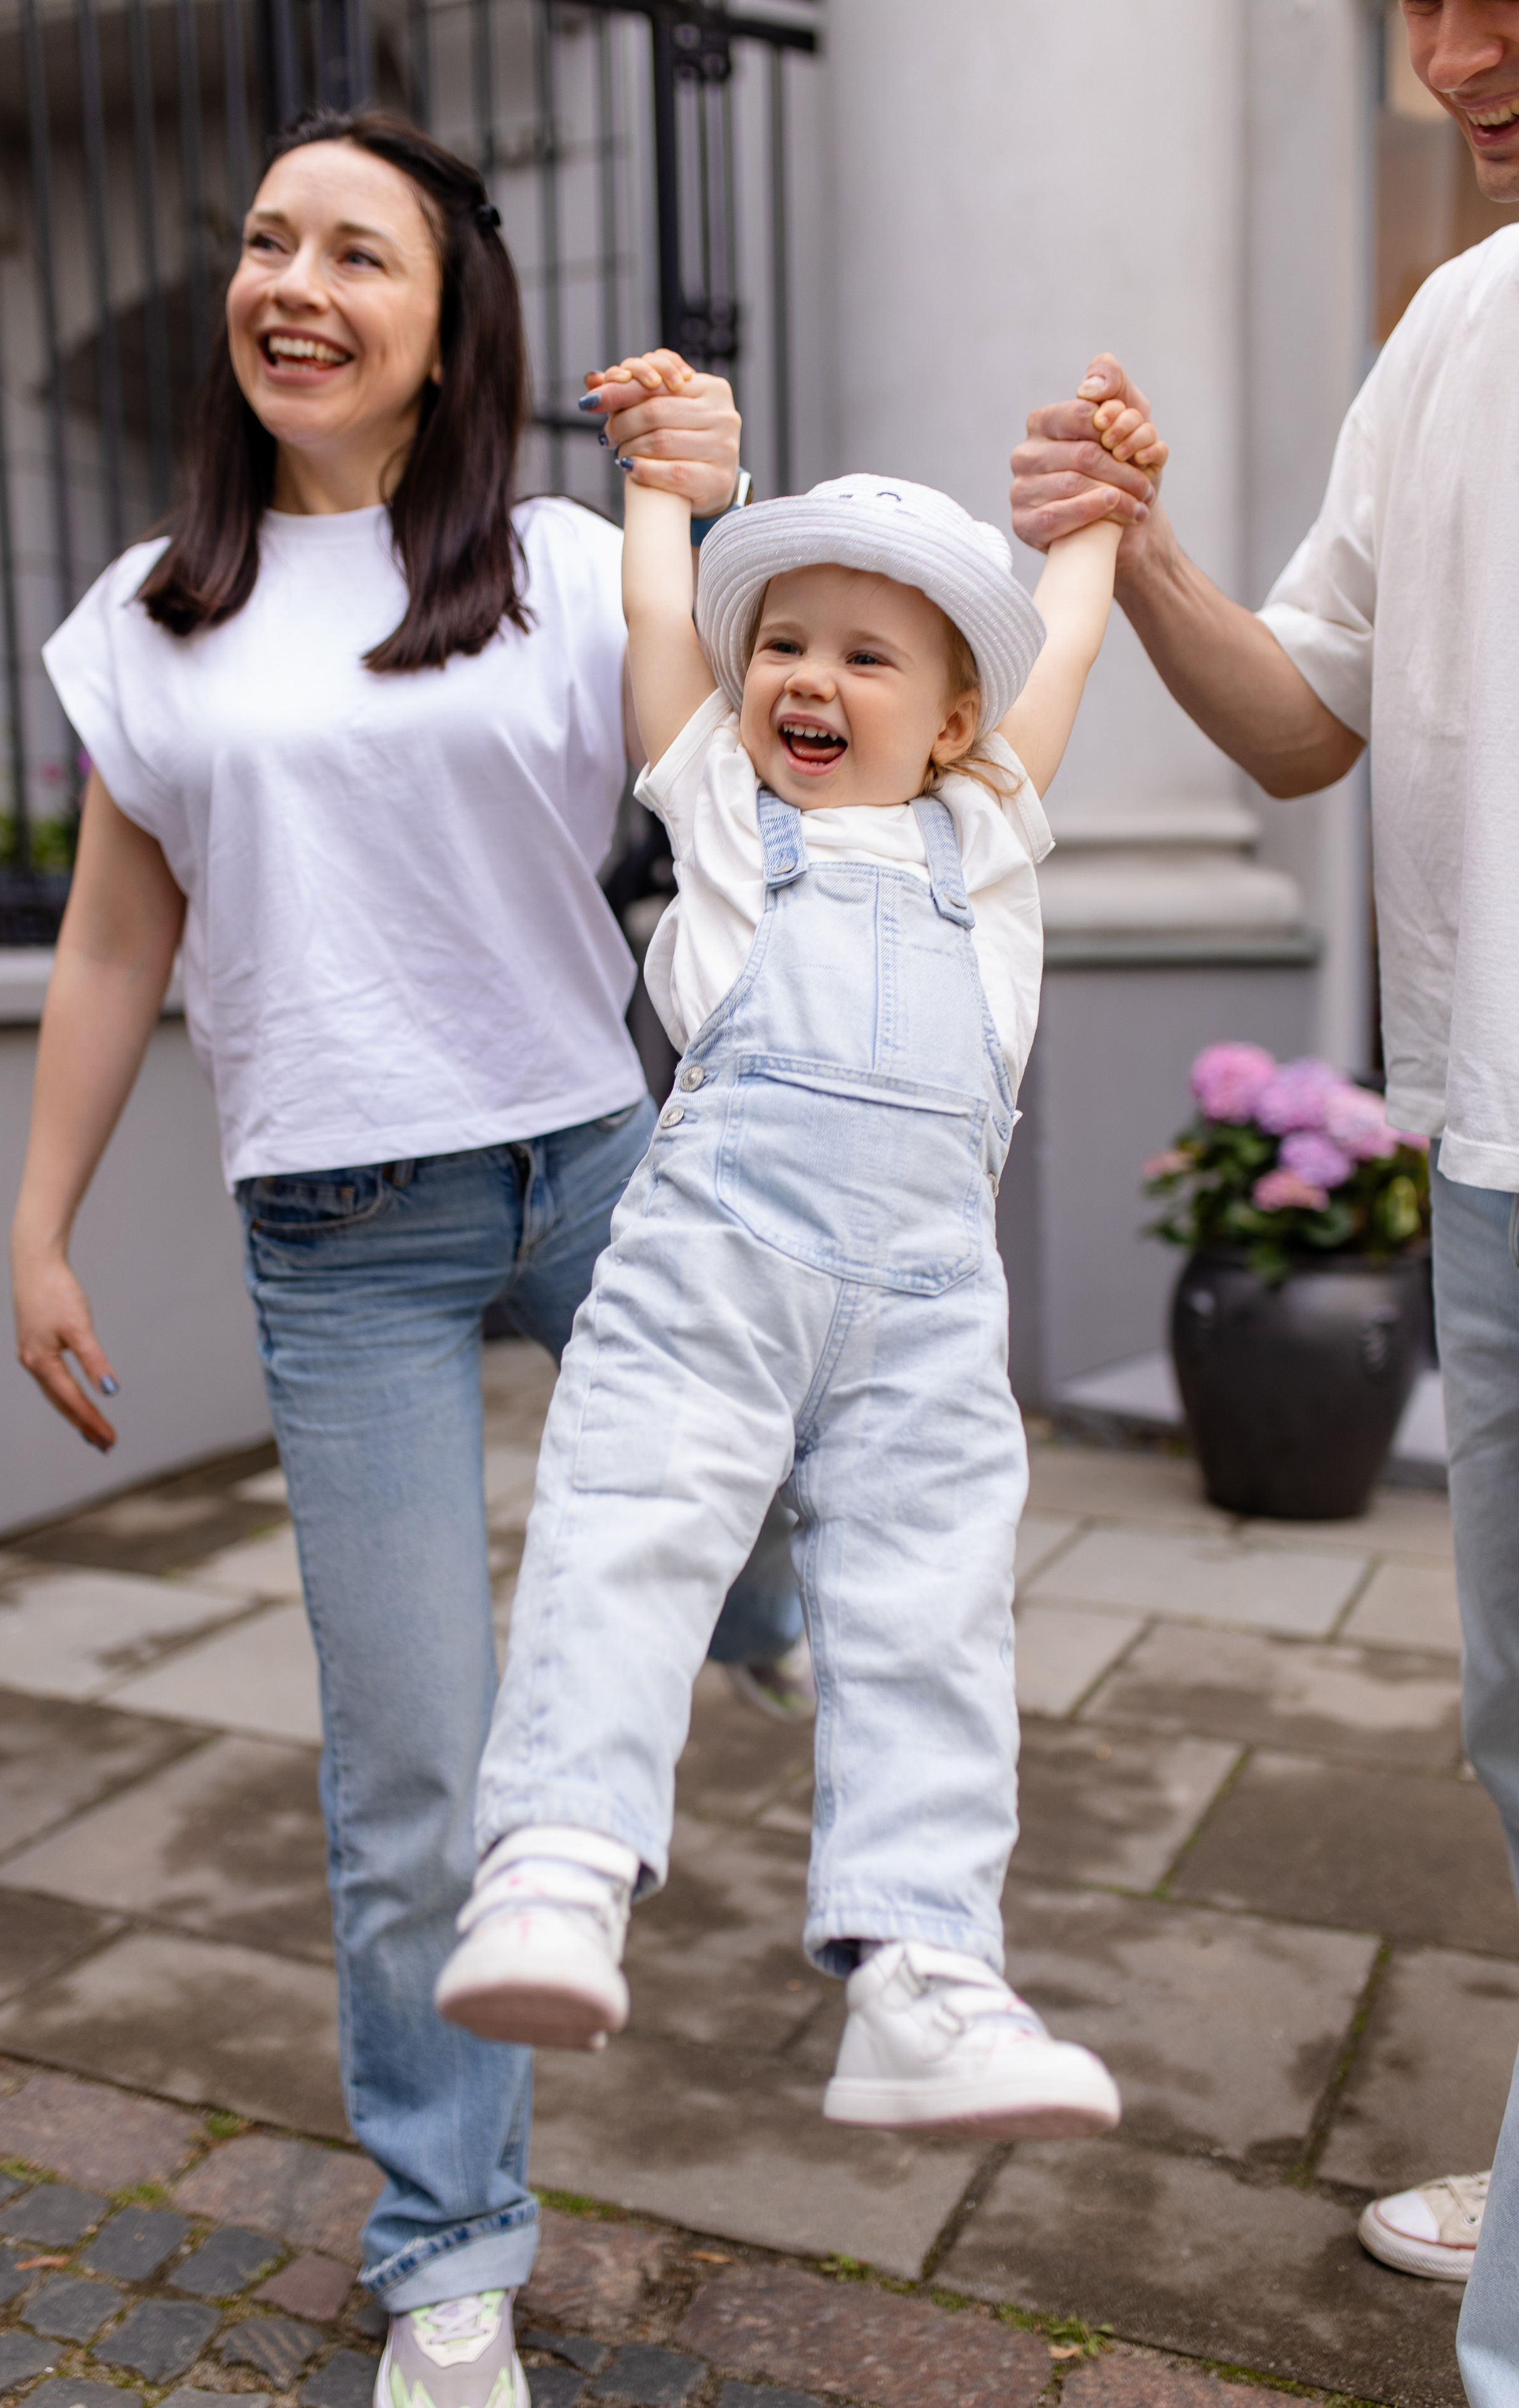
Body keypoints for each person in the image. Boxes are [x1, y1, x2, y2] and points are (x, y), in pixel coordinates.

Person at [10, 107, 798, 2408]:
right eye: (268, 242)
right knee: (420, 1785)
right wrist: (35, 1226)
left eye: (358, 252)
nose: (296, 284)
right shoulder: (150, 619)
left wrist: (698, 508)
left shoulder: (555, 564)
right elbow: (111, 945)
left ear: (449, 330)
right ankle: (454, 2247)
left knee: (796, 1536)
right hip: (341, 1241)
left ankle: (782, 1639)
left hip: (593, 1164)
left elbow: (720, 782)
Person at [433, 364, 1168, 2135]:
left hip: (929, 1314)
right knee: (630, 1525)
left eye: (865, 656)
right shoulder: (721, 808)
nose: (807, 680)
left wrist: (1098, 514)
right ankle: (555, 1866)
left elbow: (1066, 645)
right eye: (782, 644)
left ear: (955, 720)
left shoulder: (984, 834)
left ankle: (924, 1970)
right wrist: (663, 490)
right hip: (714, 1268)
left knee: (931, 1614)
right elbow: (654, 621)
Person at [1008, 1, 1519, 2390]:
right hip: (1495, 1152)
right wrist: (1140, 555)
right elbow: (1306, 717)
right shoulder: (1451, 326)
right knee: (1514, 1732)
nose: (1456, 55)